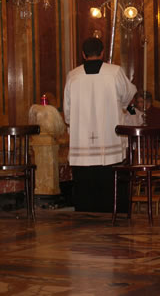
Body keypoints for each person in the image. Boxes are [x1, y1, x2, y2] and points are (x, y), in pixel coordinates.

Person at [63, 37, 137, 212]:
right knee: (111, 184)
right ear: (103, 52)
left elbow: (67, 112)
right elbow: (128, 95)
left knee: (85, 189)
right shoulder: (115, 72)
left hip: (82, 145)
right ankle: (114, 213)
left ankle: (85, 214)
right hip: (110, 139)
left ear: (83, 54)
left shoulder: (73, 76)